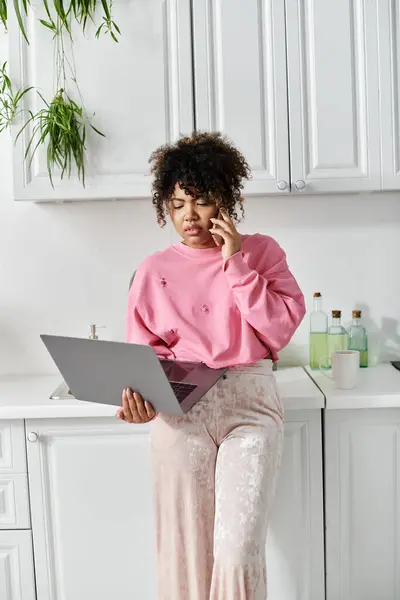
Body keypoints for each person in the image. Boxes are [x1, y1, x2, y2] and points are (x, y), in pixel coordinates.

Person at [116, 131, 306, 599]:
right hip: (180, 409)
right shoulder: (153, 269)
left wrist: (235, 262)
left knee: (238, 551)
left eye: (201, 202)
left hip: (251, 408)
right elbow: (144, 356)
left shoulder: (262, 252)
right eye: (178, 204)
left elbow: (279, 328)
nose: (189, 217)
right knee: (185, 551)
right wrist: (137, 399)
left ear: (226, 197)